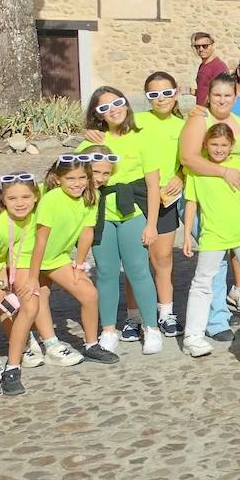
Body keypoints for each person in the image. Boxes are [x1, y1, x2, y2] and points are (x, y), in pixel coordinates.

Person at [0, 174, 87, 393]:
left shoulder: (39, 213)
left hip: (23, 264)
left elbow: (62, 180)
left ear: (35, 197)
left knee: (26, 303)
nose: (20, 203)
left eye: (25, 197)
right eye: (12, 198)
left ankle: (27, 347)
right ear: (3, 199)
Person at [80, 87, 163, 353]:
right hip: (101, 214)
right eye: (104, 107)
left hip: (133, 213)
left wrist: (151, 224)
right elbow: (74, 178)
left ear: (125, 104)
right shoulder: (91, 143)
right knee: (105, 272)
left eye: (116, 103)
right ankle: (108, 330)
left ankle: (151, 328)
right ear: (98, 114)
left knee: (138, 270)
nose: (113, 110)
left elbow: (153, 185)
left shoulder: (143, 138)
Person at [181, 123, 240, 358]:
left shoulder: (239, 165)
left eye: (223, 145)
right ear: (205, 144)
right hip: (212, 234)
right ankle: (193, 336)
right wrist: (187, 233)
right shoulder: (198, 169)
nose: (219, 149)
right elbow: (191, 203)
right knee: (202, 283)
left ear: (231, 146)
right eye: (214, 144)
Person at [17, 158, 113, 363]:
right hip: (29, 257)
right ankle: (48, 344)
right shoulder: (51, 199)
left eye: (82, 178)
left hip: (57, 256)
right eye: (70, 179)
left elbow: (87, 232)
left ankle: (91, 345)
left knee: (89, 294)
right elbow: (40, 240)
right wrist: (32, 277)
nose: (77, 184)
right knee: (36, 296)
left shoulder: (93, 195)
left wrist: (79, 264)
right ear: (58, 179)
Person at [136, 71, 187, 327]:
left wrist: (181, 175)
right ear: (147, 97)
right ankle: (134, 316)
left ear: (176, 93)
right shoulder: (136, 121)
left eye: (167, 93)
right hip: (137, 197)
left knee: (163, 258)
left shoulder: (183, 126)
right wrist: (93, 133)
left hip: (167, 198)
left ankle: (166, 312)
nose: (161, 98)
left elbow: (191, 159)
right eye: (154, 94)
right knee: (136, 261)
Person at [191, 31, 228, 106]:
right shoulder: (203, 65)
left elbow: (220, 95)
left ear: (212, 46)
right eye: (197, 46)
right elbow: (204, 90)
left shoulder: (219, 67)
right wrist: (193, 92)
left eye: (204, 46)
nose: (201, 49)